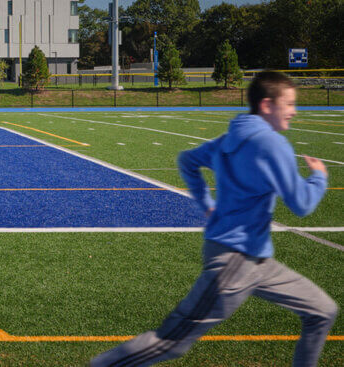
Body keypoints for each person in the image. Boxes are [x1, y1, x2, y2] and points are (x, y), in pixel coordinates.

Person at [90, 72, 336, 367]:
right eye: (290, 104)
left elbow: (187, 161)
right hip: (236, 261)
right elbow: (302, 204)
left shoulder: (229, 139)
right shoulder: (273, 144)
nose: (295, 111)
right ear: (268, 105)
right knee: (171, 340)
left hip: (256, 259)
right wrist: (319, 177)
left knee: (322, 311)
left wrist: (206, 202)